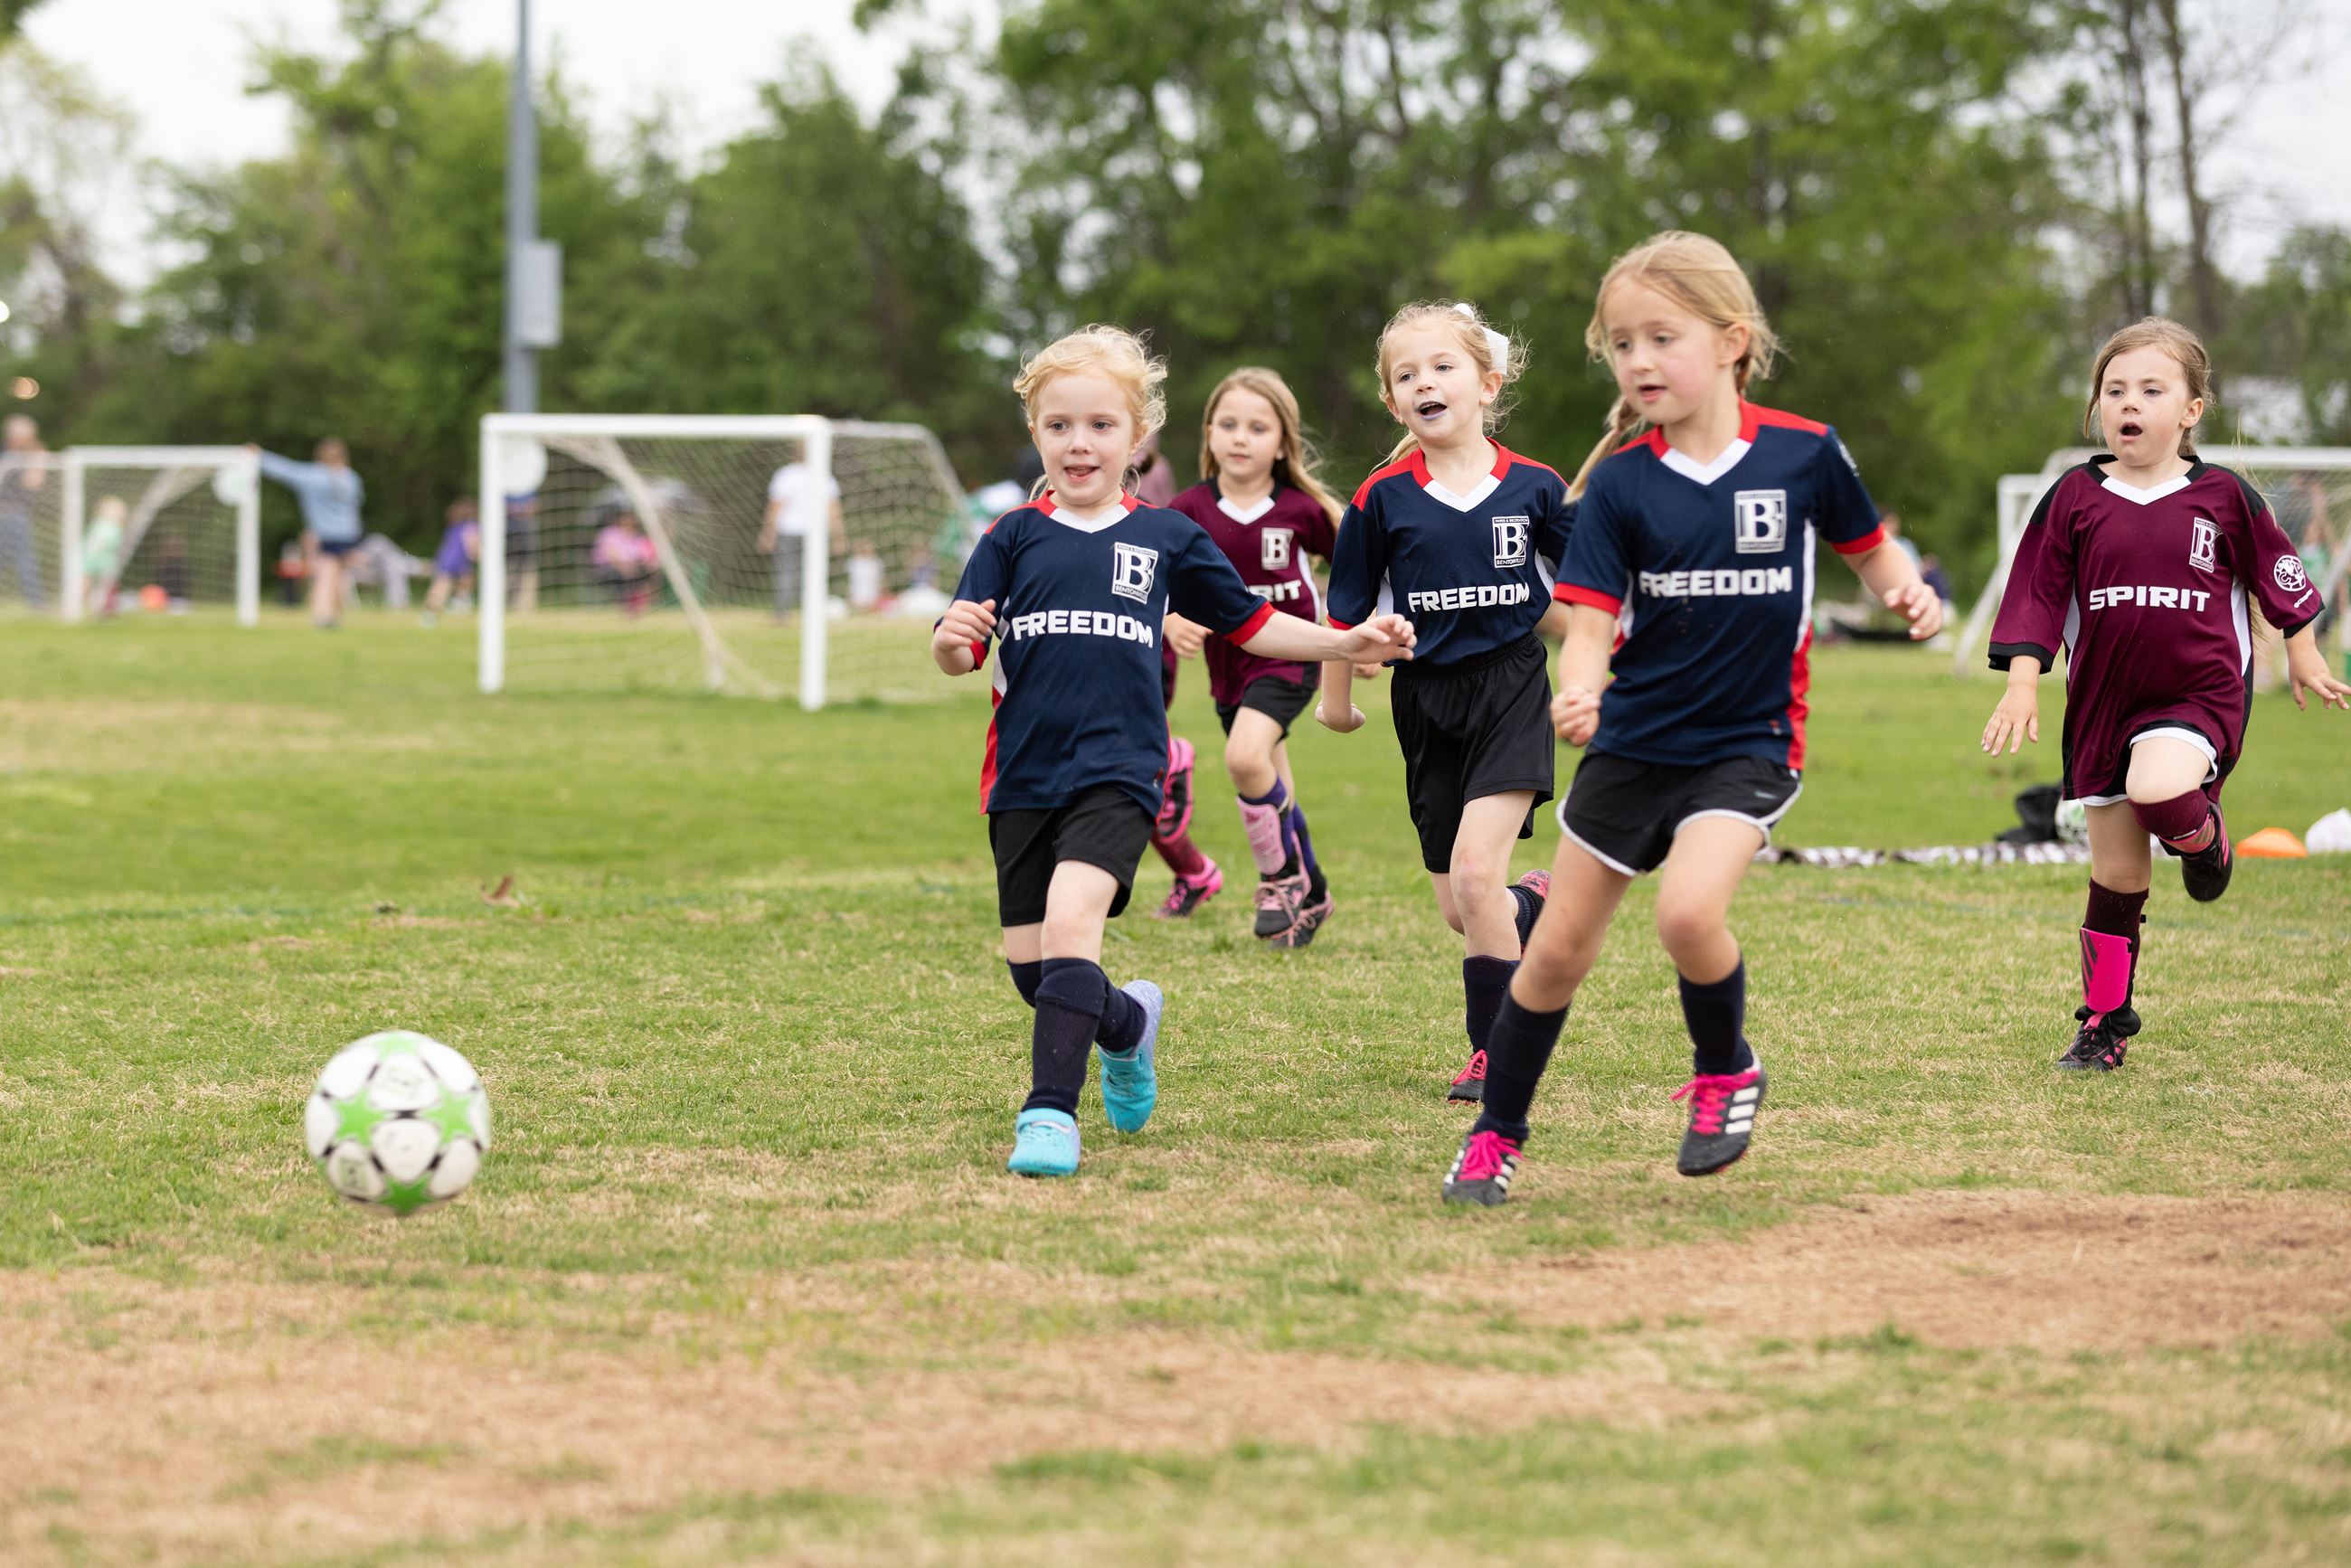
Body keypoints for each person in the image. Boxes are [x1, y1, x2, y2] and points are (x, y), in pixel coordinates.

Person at [1440, 231, 1941, 1207]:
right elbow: (1588, 620)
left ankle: (1724, 1072)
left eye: (1658, 337)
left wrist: (1904, 594)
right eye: (1619, 344)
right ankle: (1494, 1135)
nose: (1635, 361)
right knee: (1551, 958)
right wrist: (1579, 683)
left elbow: (1866, 545)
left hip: (1746, 746)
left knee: (1684, 912)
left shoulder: (1802, 452)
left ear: (1729, 341)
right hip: (1631, 745)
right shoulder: (1621, 485)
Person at [931, 324, 1414, 1178]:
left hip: (1119, 771)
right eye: (1058, 426)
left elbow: (1254, 624)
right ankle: (1127, 1024)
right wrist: (949, 639)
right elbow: (962, 650)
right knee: (1035, 975)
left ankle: (1048, 1117)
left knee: (1076, 925)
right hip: (1021, 776)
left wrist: (1344, 644)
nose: (1079, 444)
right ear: (1036, 432)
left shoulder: (1166, 538)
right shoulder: (1010, 535)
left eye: (1101, 426)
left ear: (1138, 436)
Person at [1982, 317, 2349, 1072]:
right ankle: (2105, 1022)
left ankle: (2206, 840)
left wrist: (2305, 651)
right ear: (2097, 409)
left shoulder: (2222, 496)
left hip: (2197, 695)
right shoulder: (2073, 498)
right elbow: (2036, 594)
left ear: (2190, 410)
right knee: (2116, 876)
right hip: (2102, 707)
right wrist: (2023, 683)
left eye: (2152, 389)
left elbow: (2279, 572)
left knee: (2160, 787)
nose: (2130, 403)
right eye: (2115, 390)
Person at [1319, 301, 1572, 1102]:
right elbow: (1344, 613)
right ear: (1393, 403)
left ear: (1487, 384)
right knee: (1466, 910)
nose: (1424, 382)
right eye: (1406, 375)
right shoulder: (1381, 498)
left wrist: (1617, 674)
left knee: (1471, 877)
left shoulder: (1537, 488)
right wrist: (1335, 704)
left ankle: (1495, 1055)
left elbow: (1591, 600)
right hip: (1424, 702)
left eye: (1442, 367)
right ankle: (1528, 906)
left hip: (1512, 686)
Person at [1165, 367, 1345, 946]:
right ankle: (1313, 892)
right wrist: (1171, 620)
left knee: (1245, 759)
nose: (1241, 437)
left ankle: (1279, 879)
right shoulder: (1187, 509)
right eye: (1228, 424)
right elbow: (1154, 581)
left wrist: (1355, 638)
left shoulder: (1302, 510)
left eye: (1258, 427)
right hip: (1229, 669)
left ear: (1282, 442)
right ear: (1209, 433)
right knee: (1273, 785)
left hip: (1289, 658)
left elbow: (1356, 571)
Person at [249, 439, 364, 628]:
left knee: (326, 573)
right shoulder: (351, 478)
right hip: (350, 534)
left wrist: (260, 456)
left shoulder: (313, 476)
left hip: (327, 534)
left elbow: (285, 470)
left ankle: (322, 614)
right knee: (339, 575)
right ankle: (335, 615)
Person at [760, 457, 846, 620]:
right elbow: (833, 509)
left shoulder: (785, 475)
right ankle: (813, 614)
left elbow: (775, 507)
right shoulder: (823, 476)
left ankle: (782, 613)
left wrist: (768, 533)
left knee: (787, 572)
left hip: (790, 531)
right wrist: (839, 535)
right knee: (814, 574)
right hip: (815, 533)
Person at [0, 414, 49, 607]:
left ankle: (36, 602)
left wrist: (36, 460)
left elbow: (34, 483)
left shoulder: (32, 455)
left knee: (24, 559)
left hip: (16, 514)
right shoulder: (5, 453)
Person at [421, 496, 481, 625]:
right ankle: (432, 615)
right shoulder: (472, 527)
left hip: (445, 558)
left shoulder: (454, 527)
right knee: (443, 587)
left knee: (465, 580)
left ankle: (454, 606)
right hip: (456, 561)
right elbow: (472, 548)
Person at [592, 506, 658, 615]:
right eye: (626, 517)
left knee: (646, 571)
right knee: (622, 574)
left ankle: (642, 604)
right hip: (609, 569)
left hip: (633, 569)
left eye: (631, 517)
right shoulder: (609, 534)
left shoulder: (638, 537)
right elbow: (612, 556)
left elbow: (643, 557)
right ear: (619, 519)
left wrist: (650, 565)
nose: (629, 520)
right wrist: (626, 567)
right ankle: (626, 605)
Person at [80, 495, 127, 615]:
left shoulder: (116, 528)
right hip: (93, 559)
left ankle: (104, 608)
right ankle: (82, 605)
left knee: (105, 587)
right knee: (86, 584)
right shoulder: (101, 525)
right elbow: (94, 542)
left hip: (106, 562)